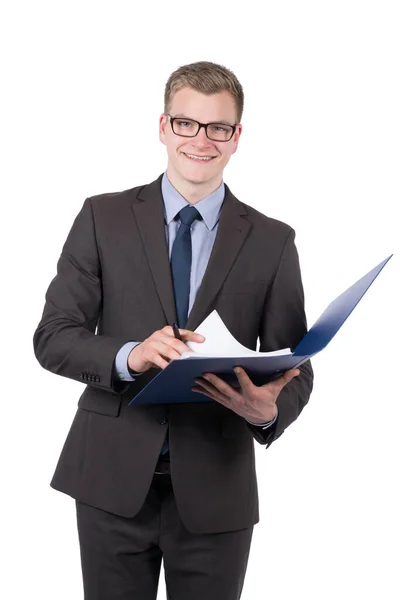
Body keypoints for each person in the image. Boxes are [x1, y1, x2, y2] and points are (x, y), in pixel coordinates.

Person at [33, 60, 313, 600]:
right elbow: (53, 336)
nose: (201, 140)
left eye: (217, 128)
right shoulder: (101, 217)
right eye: (187, 123)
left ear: (236, 138)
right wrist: (130, 354)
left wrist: (271, 410)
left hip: (217, 486)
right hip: (110, 479)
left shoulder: (273, 241)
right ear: (163, 127)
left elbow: (294, 365)